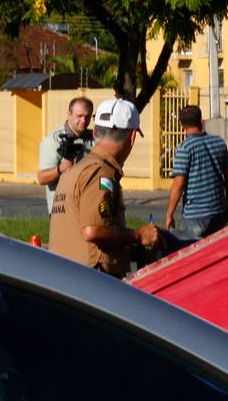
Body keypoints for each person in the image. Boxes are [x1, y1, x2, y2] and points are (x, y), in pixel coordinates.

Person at [49, 98, 160, 277]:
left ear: (95, 133)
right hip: (90, 285)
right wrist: (138, 235)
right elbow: (92, 230)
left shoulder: (76, 170)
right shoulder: (101, 172)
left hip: (66, 279)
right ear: (132, 137)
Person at [164, 105, 228, 239]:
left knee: (197, 255)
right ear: (201, 120)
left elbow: (178, 185)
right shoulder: (218, 143)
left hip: (195, 216)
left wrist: (169, 214)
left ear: (182, 125)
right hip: (218, 212)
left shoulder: (185, 148)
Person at [37, 96, 95, 212]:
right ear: (69, 114)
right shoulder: (53, 141)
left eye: (87, 116)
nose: (84, 121)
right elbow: (42, 178)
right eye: (79, 116)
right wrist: (62, 168)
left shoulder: (94, 138)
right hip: (62, 210)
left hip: (87, 207)